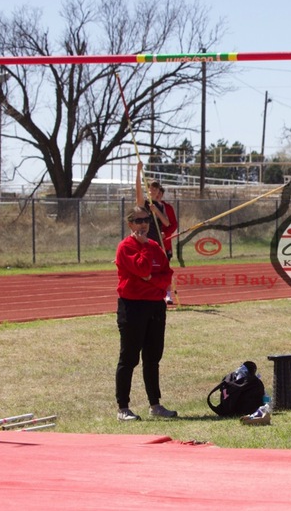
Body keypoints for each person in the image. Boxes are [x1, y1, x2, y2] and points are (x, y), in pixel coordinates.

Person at [115, 206, 178, 422]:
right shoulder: (126, 247)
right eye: (139, 221)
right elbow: (142, 269)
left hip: (155, 306)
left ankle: (155, 405)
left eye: (146, 220)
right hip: (132, 306)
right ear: (130, 224)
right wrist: (142, 250)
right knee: (129, 358)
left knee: (153, 358)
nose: (143, 224)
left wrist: (152, 279)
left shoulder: (155, 246)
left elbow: (166, 275)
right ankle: (123, 408)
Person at [136, 161, 178, 304]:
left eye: (155, 189)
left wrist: (157, 211)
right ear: (147, 189)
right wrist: (138, 172)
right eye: (150, 189)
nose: (153, 191)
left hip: (158, 242)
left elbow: (167, 223)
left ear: (158, 191)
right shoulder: (144, 203)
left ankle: (167, 294)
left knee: (164, 269)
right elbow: (138, 195)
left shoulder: (160, 206)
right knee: (145, 268)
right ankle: (145, 294)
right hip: (145, 241)